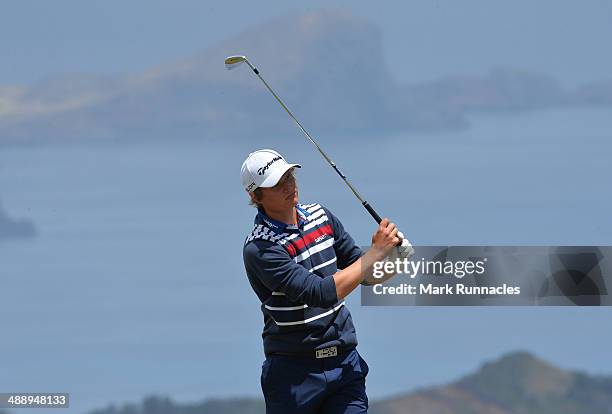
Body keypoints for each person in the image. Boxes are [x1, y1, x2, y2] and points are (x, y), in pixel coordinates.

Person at [241, 149, 412, 414]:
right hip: (293, 374)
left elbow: (363, 274)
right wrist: (376, 252)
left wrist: (395, 260)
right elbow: (319, 292)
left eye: (289, 176)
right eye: (277, 183)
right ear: (255, 196)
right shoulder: (260, 247)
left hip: (344, 363)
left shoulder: (321, 216)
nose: (289, 185)